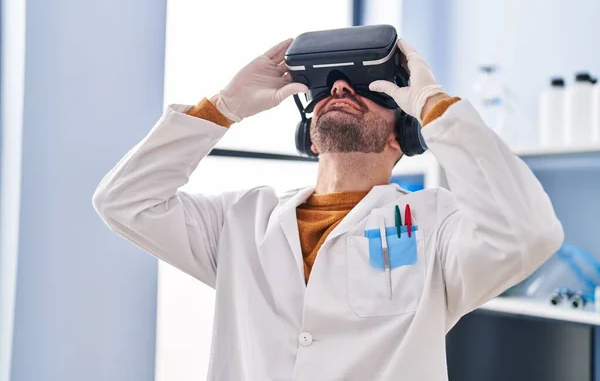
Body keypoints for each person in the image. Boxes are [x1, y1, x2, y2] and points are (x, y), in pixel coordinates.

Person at [93, 38, 564, 380]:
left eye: (369, 88)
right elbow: (124, 201)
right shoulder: (240, 223)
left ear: (404, 132)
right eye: (327, 87)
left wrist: (435, 103)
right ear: (308, 131)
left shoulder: (437, 228)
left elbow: (528, 232)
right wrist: (223, 107)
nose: (339, 88)